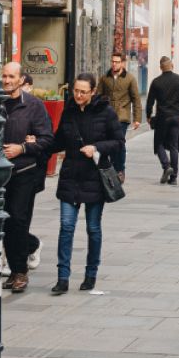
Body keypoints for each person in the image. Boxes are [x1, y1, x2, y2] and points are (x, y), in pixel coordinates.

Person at [52, 74, 122, 295]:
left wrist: (96, 147)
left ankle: (91, 274)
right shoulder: (69, 111)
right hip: (71, 177)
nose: (78, 95)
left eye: (83, 91)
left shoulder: (106, 112)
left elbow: (119, 142)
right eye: (76, 91)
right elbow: (59, 140)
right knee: (66, 228)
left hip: (94, 178)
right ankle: (62, 277)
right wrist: (38, 143)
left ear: (93, 91)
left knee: (93, 228)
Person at [0, 62, 55, 292]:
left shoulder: (34, 106)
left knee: (19, 221)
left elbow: (47, 139)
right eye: (4, 76)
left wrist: (22, 148)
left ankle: (20, 272)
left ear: (21, 80)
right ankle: (15, 268)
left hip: (23, 173)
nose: (7, 80)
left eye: (12, 76)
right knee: (4, 222)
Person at [145, 57, 179, 186]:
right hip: (176, 117)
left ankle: (166, 166)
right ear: (172, 65)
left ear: (161, 67)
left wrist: (148, 116)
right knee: (173, 146)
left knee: (158, 144)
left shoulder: (156, 82)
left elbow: (150, 102)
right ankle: (174, 177)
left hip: (162, 117)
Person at [99, 53, 140, 173]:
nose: (114, 64)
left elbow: (136, 98)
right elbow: (98, 96)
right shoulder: (104, 78)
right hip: (107, 116)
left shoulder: (130, 78)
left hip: (122, 116)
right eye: (112, 61)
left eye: (117, 62)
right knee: (109, 143)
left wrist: (137, 118)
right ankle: (111, 167)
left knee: (119, 142)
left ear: (122, 63)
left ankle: (120, 169)